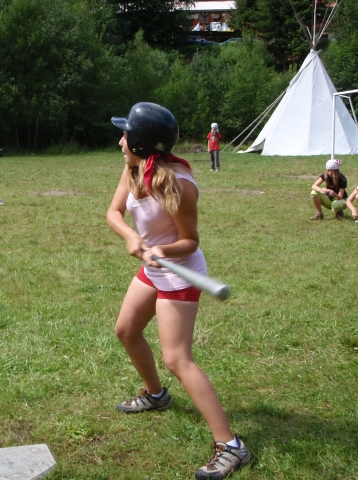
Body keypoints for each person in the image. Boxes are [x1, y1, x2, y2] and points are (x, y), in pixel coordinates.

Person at [107, 102, 251, 480]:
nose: (120, 141)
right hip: (152, 268)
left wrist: (162, 251)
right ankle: (156, 395)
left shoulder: (179, 184)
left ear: (140, 143)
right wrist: (132, 238)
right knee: (126, 330)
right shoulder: (134, 167)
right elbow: (113, 213)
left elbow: (189, 241)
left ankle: (231, 445)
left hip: (179, 273)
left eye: (125, 135)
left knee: (177, 358)